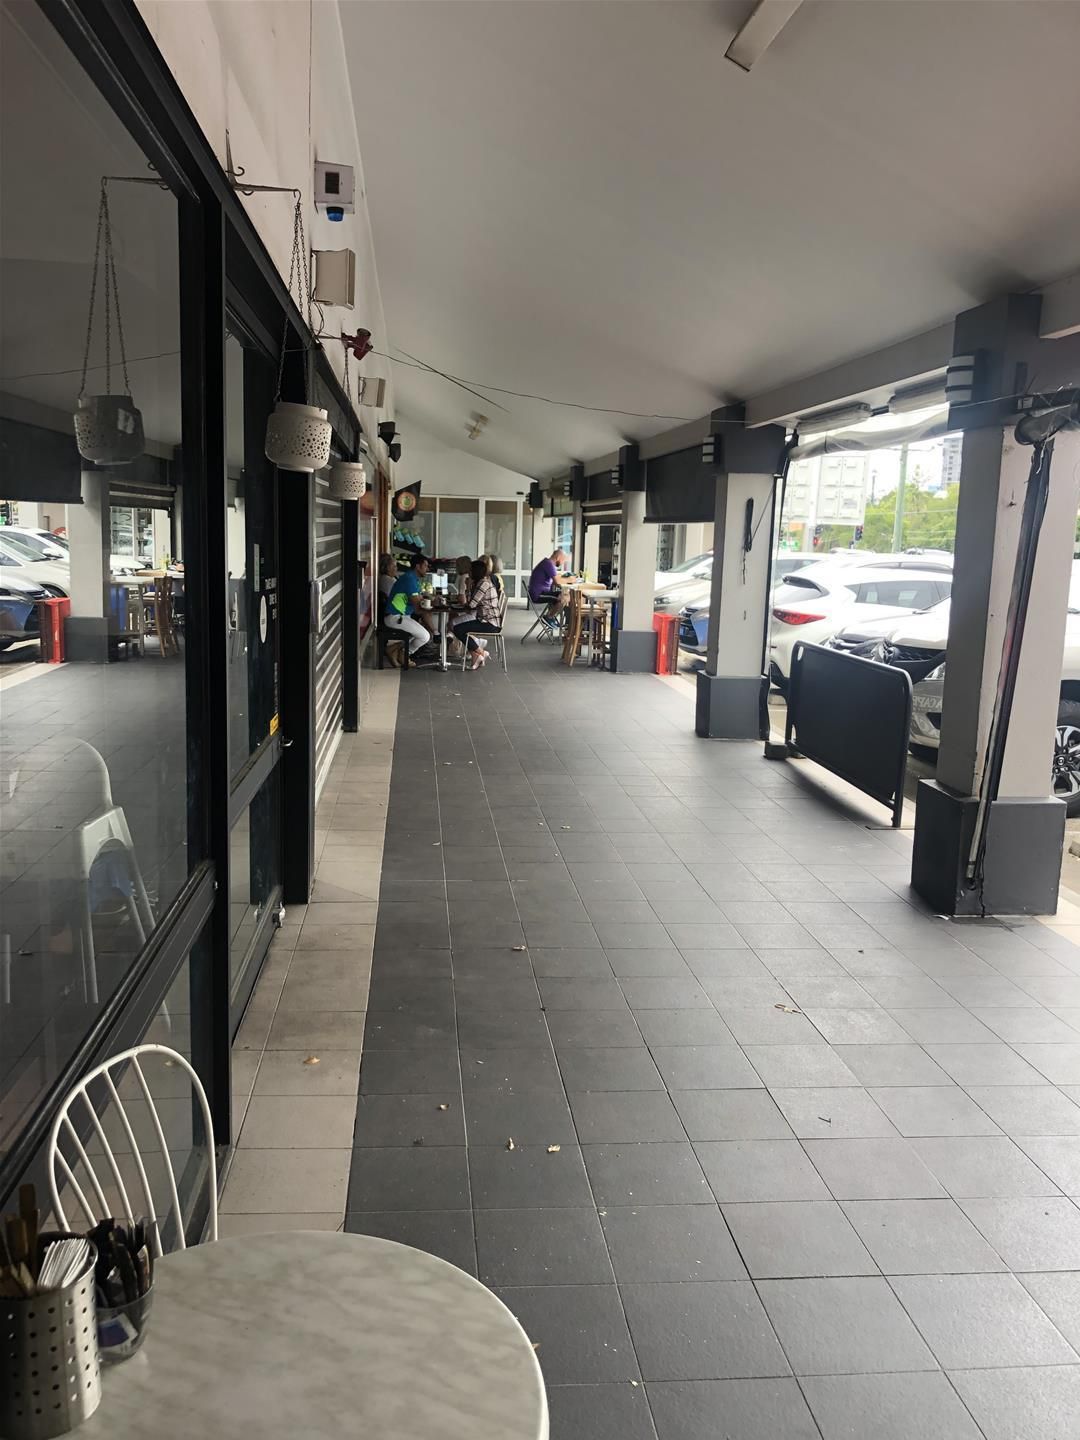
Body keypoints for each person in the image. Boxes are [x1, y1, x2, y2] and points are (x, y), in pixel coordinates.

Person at [453, 558, 501, 670]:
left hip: (489, 623)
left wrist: (468, 587)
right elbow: (471, 604)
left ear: (475, 572)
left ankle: (481, 652)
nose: (469, 572)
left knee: (457, 629)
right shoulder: (483, 582)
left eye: (470, 570)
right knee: (459, 628)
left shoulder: (483, 584)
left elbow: (471, 605)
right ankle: (478, 655)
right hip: (486, 620)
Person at [385, 554, 433, 663]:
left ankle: (395, 650)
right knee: (425, 636)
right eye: (425, 566)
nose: (427, 569)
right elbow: (418, 607)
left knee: (421, 632)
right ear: (418, 566)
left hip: (402, 616)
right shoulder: (409, 579)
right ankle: (404, 653)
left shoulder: (412, 578)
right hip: (395, 617)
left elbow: (419, 600)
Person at [528, 548, 571, 625]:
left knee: (565, 595)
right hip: (538, 594)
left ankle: (551, 616)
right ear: (558, 557)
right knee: (565, 598)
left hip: (541, 592)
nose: (562, 563)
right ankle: (549, 617)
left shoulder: (547, 563)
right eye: (563, 560)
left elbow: (555, 580)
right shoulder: (548, 564)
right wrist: (570, 580)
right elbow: (557, 581)